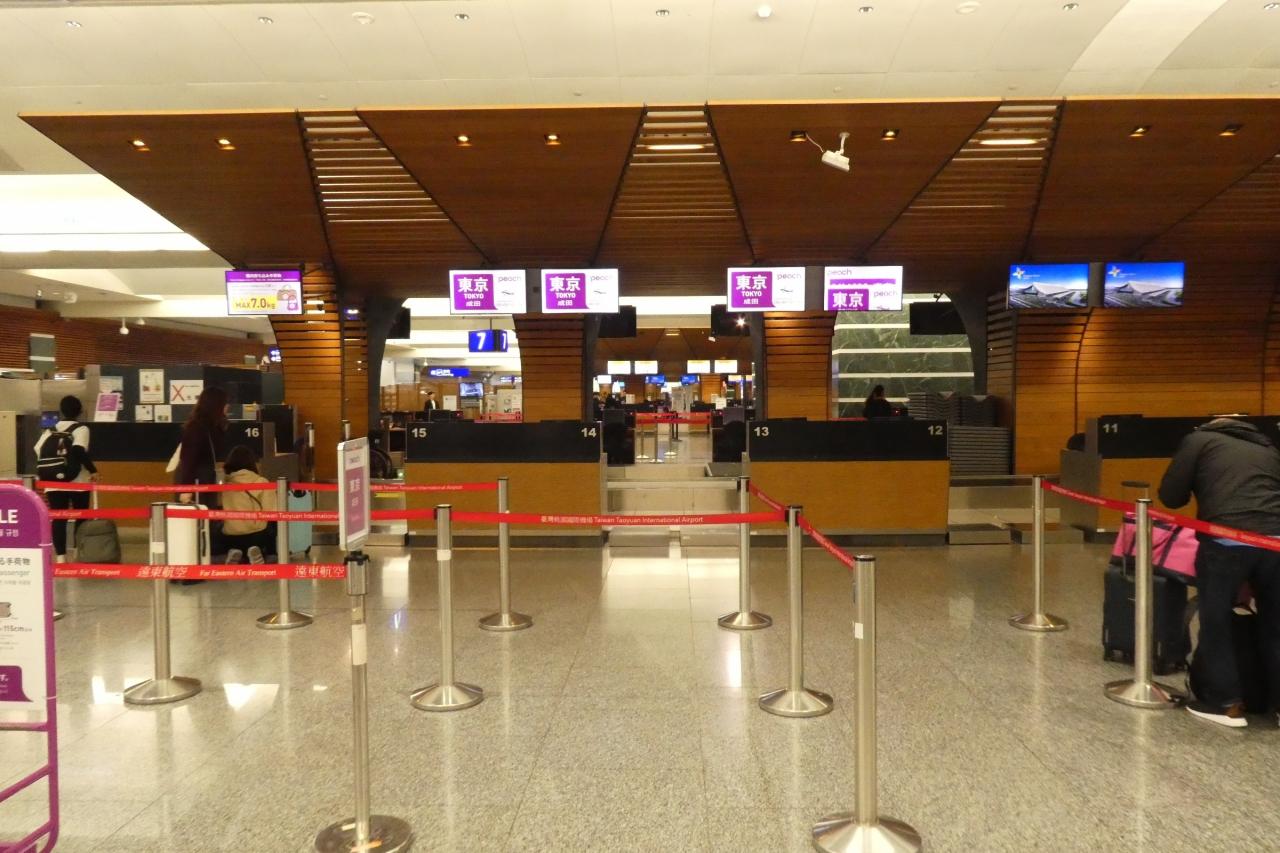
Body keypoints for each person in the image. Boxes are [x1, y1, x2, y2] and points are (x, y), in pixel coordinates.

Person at [1159, 417, 1280, 728]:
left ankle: (1225, 703)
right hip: (1276, 541)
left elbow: (1171, 495)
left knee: (1217, 620)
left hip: (1226, 541)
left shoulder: (1199, 441)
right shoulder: (1268, 448)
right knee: (1276, 623)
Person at [34, 395, 97, 561]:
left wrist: (53, 467)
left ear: (61, 411)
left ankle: (61, 557)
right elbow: (78, 450)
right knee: (81, 516)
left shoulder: (50, 430)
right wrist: (93, 470)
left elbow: (37, 449)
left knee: (59, 519)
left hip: (54, 481)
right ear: (80, 412)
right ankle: (78, 554)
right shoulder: (81, 429)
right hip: (78, 480)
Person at [218, 445, 276, 563]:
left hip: (230, 536)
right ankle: (259, 553)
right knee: (273, 527)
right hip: (256, 535)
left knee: (223, 530)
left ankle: (235, 552)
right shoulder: (262, 482)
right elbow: (272, 511)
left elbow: (219, 506)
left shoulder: (224, 484)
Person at [176, 386, 229, 507]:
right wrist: (186, 488)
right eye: (225, 403)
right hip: (197, 482)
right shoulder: (197, 428)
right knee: (199, 514)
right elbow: (188, 459)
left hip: (207, 480)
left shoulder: (214, 426)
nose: (227, 406)